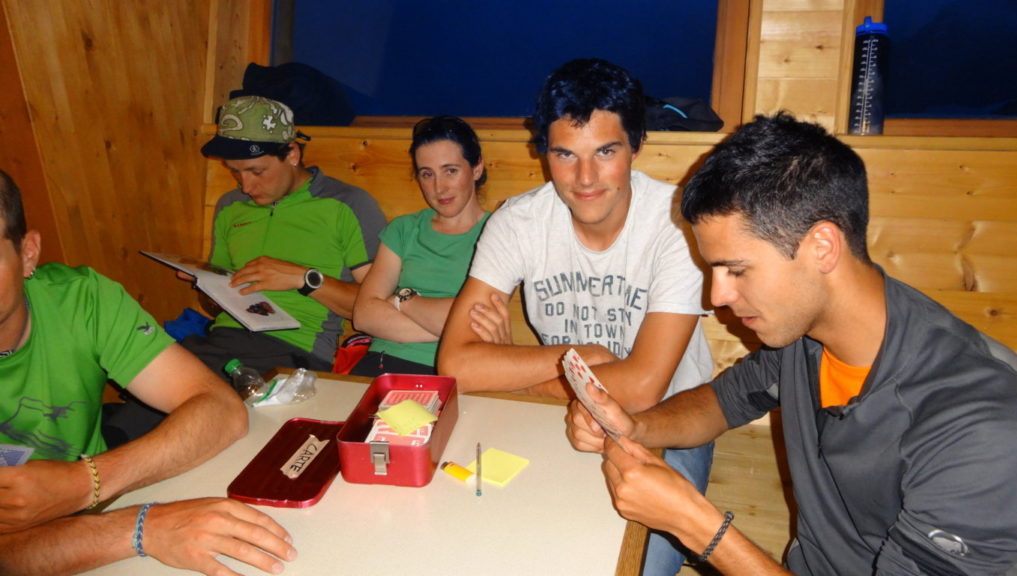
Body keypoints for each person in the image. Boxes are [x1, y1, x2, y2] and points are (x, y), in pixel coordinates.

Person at [567, 112, 1017, 575]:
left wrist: (695, 524)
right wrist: (636, 427)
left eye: (736, 270)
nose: (716, 297)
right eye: (713, 271)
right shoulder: (803, 334)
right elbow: (722, 402)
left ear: (822, 247)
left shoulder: (986, 430)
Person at [436, 59, 715, 575]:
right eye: (565, 154)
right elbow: (455, 365)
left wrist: (521, 380)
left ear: (636, 146)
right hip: (554, 416)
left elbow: (644, 387)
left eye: (605, 152)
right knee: (479, 544)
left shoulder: (677, 224)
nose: (585, 178)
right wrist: (582, 358)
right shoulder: (518, 222)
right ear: (544, 151)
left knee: (639, 568)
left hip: (668, 422)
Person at [0, 169, 295, 575]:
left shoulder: (81, 299)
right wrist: (140, 528)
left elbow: (222, 411)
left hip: (97, 510)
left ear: (28, 253)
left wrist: (85, 483)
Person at [182, 95, 386, 376]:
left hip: (295, 352)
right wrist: (205, 284)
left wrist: (304, 279)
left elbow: (376, 308)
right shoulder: (230, 206)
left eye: (256, 171)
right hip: (222, 343)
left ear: (292, 154)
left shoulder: (346, 205)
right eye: (235, 172)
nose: (246, 186)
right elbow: (216, 307)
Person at [350, 116, 490, 376]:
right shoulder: (403, 229)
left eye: (450, 171)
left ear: (476, 168)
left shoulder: (497, 233)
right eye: (427, 174)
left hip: (449, 371)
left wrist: (403, 299)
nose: (439, 188)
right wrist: (452, 328)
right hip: (381, 364)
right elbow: (364, 315)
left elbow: (477, 320)